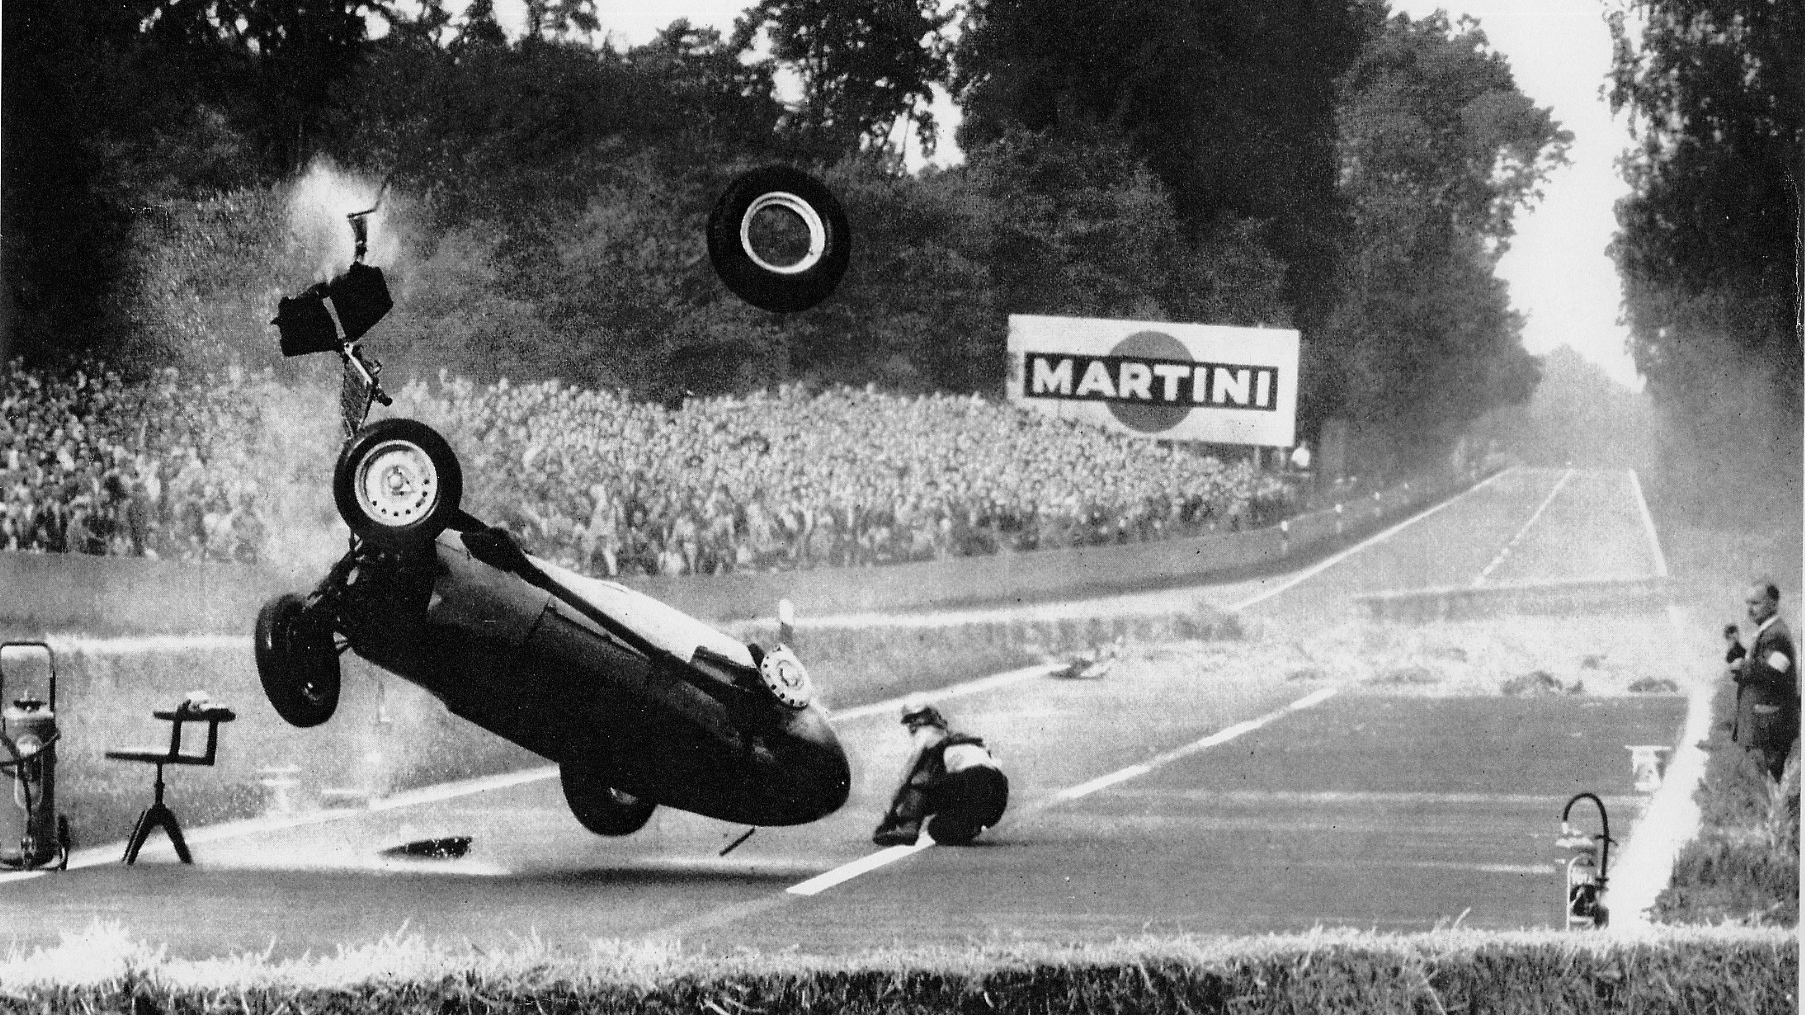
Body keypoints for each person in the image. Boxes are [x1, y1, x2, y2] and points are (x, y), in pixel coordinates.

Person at [872, 697, 1009, 847]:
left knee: (919, 780)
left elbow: (906, 778)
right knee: (936, 830)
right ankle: (970, 825)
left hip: (972, 780)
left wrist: (890, 815)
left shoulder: (927, 735)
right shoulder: (958, 737)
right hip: (997, 794)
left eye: (914, 719)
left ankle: (909, 828)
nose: (913, 725)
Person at [1730, 580, 1799, 780]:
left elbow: (1773, 672)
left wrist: (1742, 667)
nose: (1749, 609)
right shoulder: (1768, 632)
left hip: (1769, 729)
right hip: (1764, 728)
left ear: (1774, 604)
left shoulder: (1776, 634)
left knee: (1768, 784)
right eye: (1747, 603)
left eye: (1756, 603)